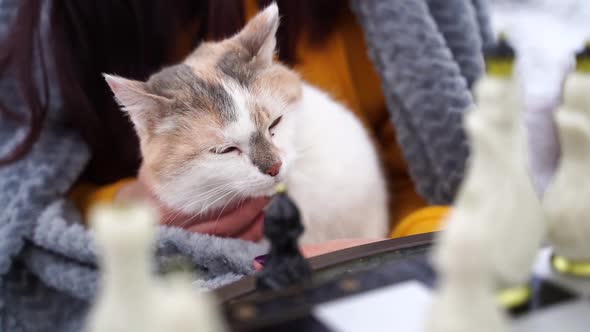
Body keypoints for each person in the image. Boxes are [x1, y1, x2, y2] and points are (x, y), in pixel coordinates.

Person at [0, 0, 448, 253]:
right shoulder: (48, 22)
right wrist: (132, 212)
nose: (272, 166)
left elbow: (437, 177)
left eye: (273, 125)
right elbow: (22, 196)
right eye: (225, 150)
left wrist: (378, 259)